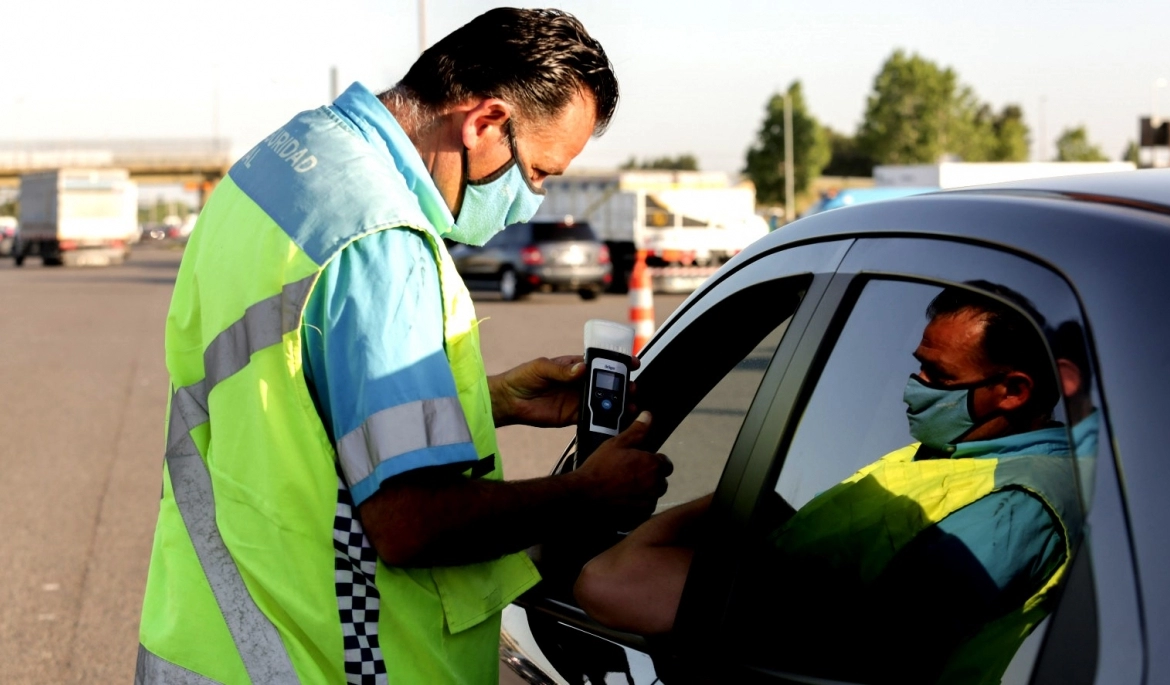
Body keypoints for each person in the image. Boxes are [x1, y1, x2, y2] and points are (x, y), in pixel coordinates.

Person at [137, 9, 672, 685]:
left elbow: (292, 394)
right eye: (536, 172)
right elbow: (410, 523)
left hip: (205, 633)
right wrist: (585, 493)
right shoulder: (383, 241)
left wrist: (490, 398)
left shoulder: (278, 168)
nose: (530, 200)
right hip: (327, 659)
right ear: (482, 123)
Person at [574, 283, 1084, 684]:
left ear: (1014, 391)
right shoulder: (951, 452)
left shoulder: (1014, 505)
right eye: (917, 368)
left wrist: (725, 505)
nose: (914, 389)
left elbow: (874, 652)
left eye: (938, 376)